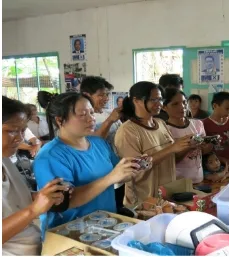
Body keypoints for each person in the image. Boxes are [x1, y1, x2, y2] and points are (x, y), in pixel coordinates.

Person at [33, 91, 145, 232]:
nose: (91, 119)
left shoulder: (98, 143)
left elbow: (119, 174)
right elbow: (65, 201)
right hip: (70, 231)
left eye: (92, 113)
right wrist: (110, 178)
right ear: (60, 120)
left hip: (105, 226)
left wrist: (135, 167)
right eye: (82, 114)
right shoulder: (50, 157)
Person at [2, 96, 69, 256]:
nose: (19, 138)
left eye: (22, 130)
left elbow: (10, 202)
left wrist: (41, 196)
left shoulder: (5, 160)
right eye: (11, 131)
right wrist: (33, 210)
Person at [114, 81, 193, 205]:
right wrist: (172, 148)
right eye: (153, 100)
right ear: (136, 101)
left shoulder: (161, 123)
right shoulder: (127, 131)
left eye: (160, 99)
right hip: (143, 202)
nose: (159, 104)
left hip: (168, 197)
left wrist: (188, 146)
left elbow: (171, 159)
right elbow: (136, 168)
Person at [80, 76, 126, 211]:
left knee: (116, 205)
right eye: (101, 95)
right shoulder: (85, 119)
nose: (105, 98)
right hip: (99, 171)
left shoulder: (107, 113)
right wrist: (110, 121)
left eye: (106, 94)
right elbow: (94, 142)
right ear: (86, 95)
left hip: (114, 166)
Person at [163, 88, 213, 184]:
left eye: (184, 102)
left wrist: (209, 144)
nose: (182, 107)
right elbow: (170, 162)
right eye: (175, 104)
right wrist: (189, 146)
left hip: (198, 178)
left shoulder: (198, 123)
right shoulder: (165, 130)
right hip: (178, 182)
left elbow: (203, 151)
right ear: (164, 107)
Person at [202, 92, 229, 170]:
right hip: (213, 167)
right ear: (215, 106)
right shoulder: (204, 124)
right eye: (227, 108)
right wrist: (226, 161)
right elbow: (204, 152)